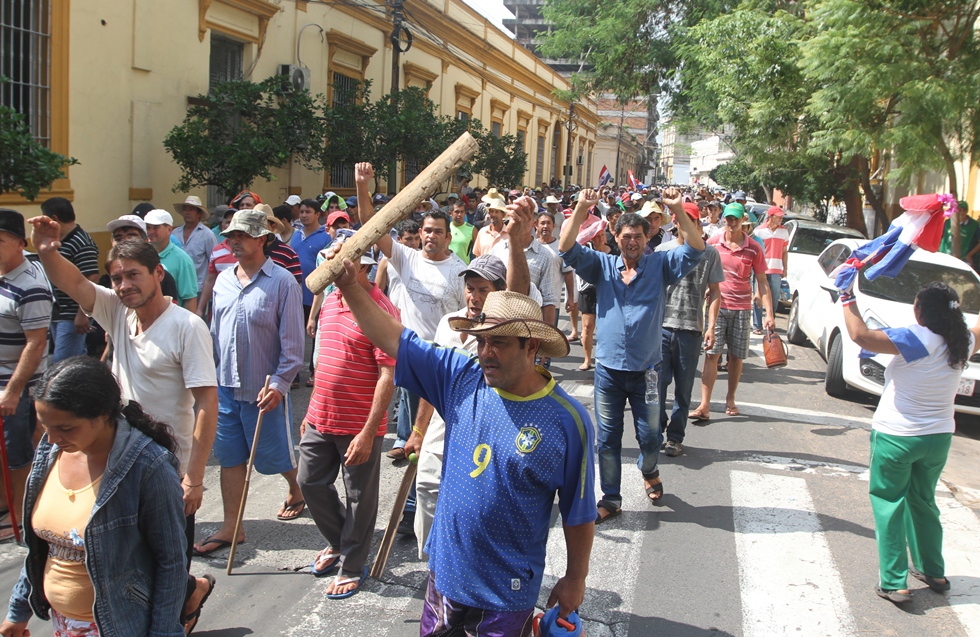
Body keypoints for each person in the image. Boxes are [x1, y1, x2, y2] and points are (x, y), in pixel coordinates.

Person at [331, 247, 595, 633]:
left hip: (507, 594)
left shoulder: (567, 420)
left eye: (500, 343)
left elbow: (579, 511)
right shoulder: (460, 377)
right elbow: (392, 338)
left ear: (532, 346)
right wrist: (351, 285)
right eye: (482, 341)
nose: (486, 353)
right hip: (446, 579)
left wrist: (575, 578)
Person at [30, 216, 220, 632]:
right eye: (116, 278)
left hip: (167, 468)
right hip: (118, 457)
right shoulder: (118, 311)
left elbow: (207, 402)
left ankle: (176, 611)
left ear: (158, 273)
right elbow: (75, 285)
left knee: (167, 559)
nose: (123, 285)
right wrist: (47, 252)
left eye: (133, 275)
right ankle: (187, 593)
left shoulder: (187, 327)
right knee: (124, 555)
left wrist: (194, 478)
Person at [1, 357, 187, 637]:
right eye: (45, 426)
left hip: (120, 627)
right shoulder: (50, 452)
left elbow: (171, 562)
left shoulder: (149, 467)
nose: (51, 439)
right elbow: (40, 548)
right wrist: (18, 612)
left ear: (102, 415)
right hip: (63, 625)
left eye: (65, 428)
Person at [560, 188, 704, 518]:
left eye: (638, 236)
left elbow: (696, 249)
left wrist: (678, 209)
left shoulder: (661, 265)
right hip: (608, 372)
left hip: (648, 371)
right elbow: (566, 248)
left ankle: (648, 468)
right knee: (607, 440)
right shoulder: (601, 266)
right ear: (615, 235)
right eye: (626, 236)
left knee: (651, 436)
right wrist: (582, 207)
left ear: (647, 236)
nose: (632, 242)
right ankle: (611, 498)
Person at [404, 202, 538, 557]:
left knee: (473, 520)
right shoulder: (449, 324)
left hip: (483, 438)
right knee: (428, 495)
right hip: (439, 435)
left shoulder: (505, 330)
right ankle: (434, 567)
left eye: (484, 290)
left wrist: (515, 241)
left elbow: (519, 295)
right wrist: (418, 432)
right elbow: (433, 382)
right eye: (470, 288)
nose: (475, 296)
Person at [841, 282, 979, 604]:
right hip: (939, 438)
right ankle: (933, 571)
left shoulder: (917, 338)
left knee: (889, 504)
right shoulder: (964, 340)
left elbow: (861, 335)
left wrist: (847, 299)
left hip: (897, 436)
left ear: (921, 312)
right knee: (924, 501)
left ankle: (894, 583)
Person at [193, 209, 305, 556]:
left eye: (242, 235)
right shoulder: (224, 281)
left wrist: (280, 384)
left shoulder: (282, 281)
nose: (234, 241)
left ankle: (296, 487)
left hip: (264, 391)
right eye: (231, 236)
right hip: (225, 388)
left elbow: (293, 347)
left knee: (275, 458)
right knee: (230, 458)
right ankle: (231, 527)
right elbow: (214, 334)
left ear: (262, 238)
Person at [298, 254, 398, 599]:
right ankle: (341, 542)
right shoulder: (330, 300)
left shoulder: (380, 309)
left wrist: (369, 432)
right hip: (321, 417)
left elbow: (388, 374)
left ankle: (353, 563)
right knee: (308, 481)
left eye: (338, 264)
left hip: (359, 423)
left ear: (364, 268)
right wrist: (311, 413)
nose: (329, 269)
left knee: (360, 497)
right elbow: (325, 359)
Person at [353, 163, 466, 468]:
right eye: (427, 230)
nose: (431, 236)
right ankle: (405, 443)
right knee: (409, 407)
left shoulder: (459, 272)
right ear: (420, 233)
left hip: (442, 359)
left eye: (437, 232)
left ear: (447, 237)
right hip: (409, 352)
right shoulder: (406, 258)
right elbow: (370, 224)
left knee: (437, 431)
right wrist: (363, 185)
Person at [692, 203, 774, 420]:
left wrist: (769, 314)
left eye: (735, 219)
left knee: (736, 358)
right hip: (717, 307)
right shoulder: (712, 244)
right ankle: (705, 404)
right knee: (711, 355)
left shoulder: (754, 248)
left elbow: (762, 281)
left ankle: (730, 398)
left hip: (742, 308)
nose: (731, 222)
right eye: (728, 218)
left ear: (743, 220)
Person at [655, 202, 724, 457]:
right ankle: (657, 428)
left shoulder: (710, 254)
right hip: (662, 328)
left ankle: (675, 437)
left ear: (698, 223)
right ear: (675, 223)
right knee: (658, 386)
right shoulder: (662, 251)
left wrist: (711, 326)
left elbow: (715, 291)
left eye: (692, 221)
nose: (687, 225)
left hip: (691, 330)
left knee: (683, 389)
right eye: (682, 220)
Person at [0, 210, 52, 543]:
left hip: (17, 388)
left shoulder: (30, 285)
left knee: (18, 454)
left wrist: (13, 390)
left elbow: (36, 343)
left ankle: (19, 519)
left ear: (20, 243)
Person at [38, 197, 100, 362]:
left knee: (64, 362)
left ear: (54, 219)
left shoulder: (81, 242)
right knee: (72, 358)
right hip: (59, 310)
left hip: (73, 313)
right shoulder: (59, 240)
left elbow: (92, 277)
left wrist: (83, 313)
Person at [291, 198, 332, 385]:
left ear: (318, 214)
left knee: (316, 333)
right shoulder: (295, 235)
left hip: (316, 294)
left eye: (308, 212)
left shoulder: (326, 237)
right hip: (295, 294)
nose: (304, 215)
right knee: (294, 334)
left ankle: (314, 372)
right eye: (302, 212)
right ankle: (293, 374)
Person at [144, 210, 199, 312]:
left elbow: (189, 299)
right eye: (148, 227)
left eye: (156, 227)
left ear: (169, 229)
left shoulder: (182, 260)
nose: (150, 232)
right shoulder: (141, 255)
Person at [751, 206, 789, 334]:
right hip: (761, 268)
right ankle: (757, 324)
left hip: (776, 269)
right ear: (770, 217)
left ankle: (770, 320)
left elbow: (784, 251)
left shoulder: (784, 232)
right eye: (778, 217)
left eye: (781, 217)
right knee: (759, 296)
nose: (780, 219)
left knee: (774, 296)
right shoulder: (759, 231)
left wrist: (785, 268)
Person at [171, 195, 218, 296]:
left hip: (198, 288)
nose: (187, 213)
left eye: (191, 210)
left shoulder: (207, 235)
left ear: (199, 214)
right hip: (177, 286)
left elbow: (214, 262)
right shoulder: (175, 233)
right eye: (185, 210)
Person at [448, 199, 475, 264]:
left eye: (462, 212)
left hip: (464, 269)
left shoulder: (472, 229)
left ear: (465, 213)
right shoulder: (445, 228)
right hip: (446, 268)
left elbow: (477, 252)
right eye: (456, 212)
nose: (459, 214)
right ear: (450, 213)